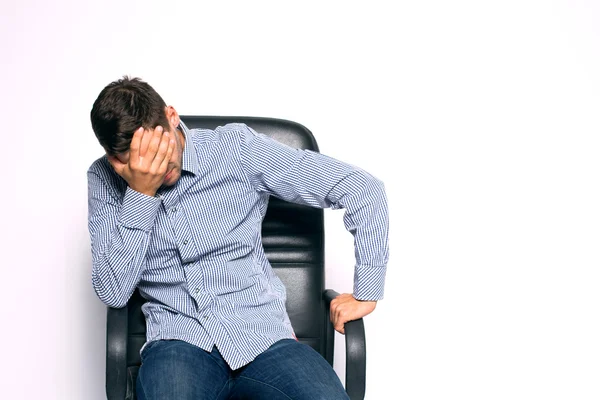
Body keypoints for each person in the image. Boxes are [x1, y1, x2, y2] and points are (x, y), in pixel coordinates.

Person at [87, 76, 389, 400]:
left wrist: (366, 292)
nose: (157, 169)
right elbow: (113, 292)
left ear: (172, 116)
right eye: (140, 162)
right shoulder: (104, 179)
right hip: (178, 344)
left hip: (263, 337)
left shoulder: (235, 149)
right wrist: (140, 193)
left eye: (162, 152)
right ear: (115, 160)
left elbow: (363, 189)